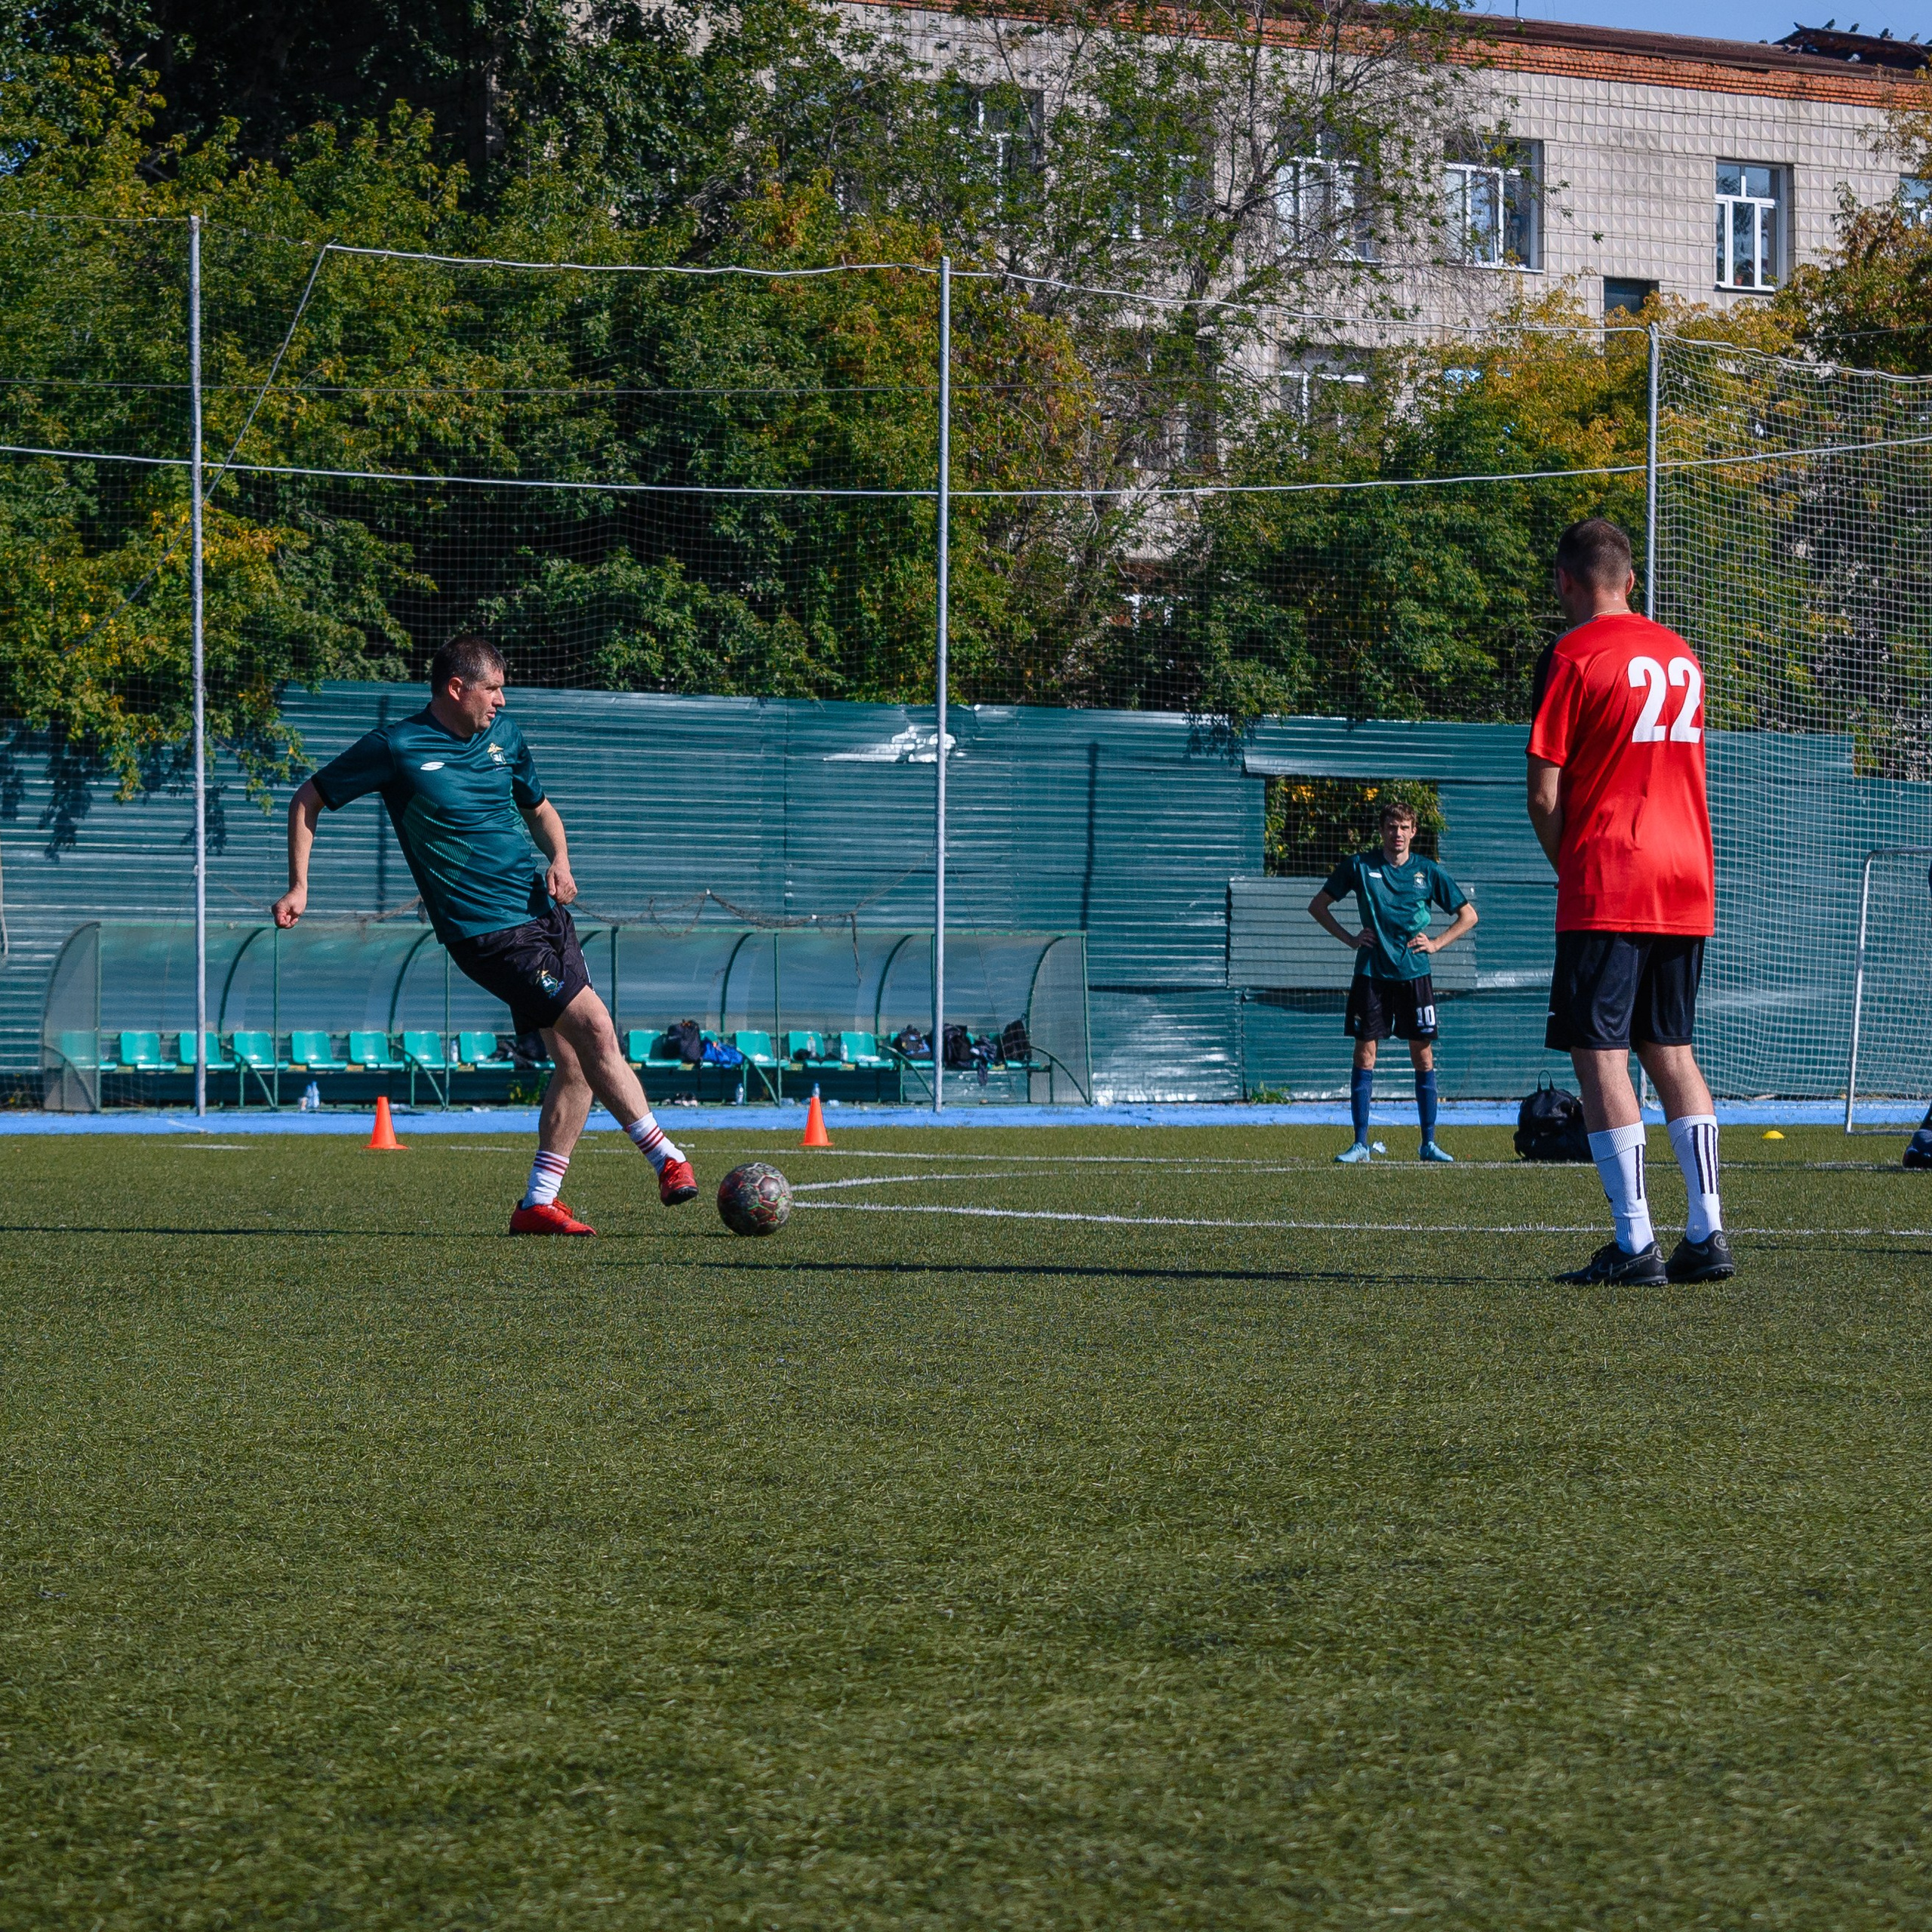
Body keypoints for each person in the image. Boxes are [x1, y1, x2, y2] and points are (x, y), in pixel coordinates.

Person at [272, 635, 698, 1235]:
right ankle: (667, 1159)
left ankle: (537, 1205)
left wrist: (562, 860)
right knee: (597, 1027)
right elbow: (308, 798)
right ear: (457, 689)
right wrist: (299, 886)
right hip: (487, 931)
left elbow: (540, 808)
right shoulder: (396, 747)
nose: (501, 700)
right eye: (492, 689)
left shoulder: (506, 738)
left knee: (576, 1062)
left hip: (540, 909)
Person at [1527, 517, 1733, 1285]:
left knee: (1599, 1054)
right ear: (1632, 581)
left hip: (1612, 873)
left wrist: (1572, 865)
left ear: (1565, 582)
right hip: (1688, 874)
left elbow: (1544, 792)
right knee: (1672, 1051)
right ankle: (1708, 1232)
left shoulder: (1571, 654)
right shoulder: (1681, 653)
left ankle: (1633, 1242)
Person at [1308, 798, 1477, 1164]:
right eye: (1391, 827)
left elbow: (1468, 916)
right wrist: (1351, 938)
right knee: (1365, 1054)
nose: (1397, 834)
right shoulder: (1359, 865)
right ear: (1382, 830)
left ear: (1414, 832)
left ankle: (1428, 1144)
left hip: (1415, 974)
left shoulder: (1428, 871)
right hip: (1371, 973)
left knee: (1423, 1054)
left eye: (1404, 828)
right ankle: (1360, 1145)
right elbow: (1318, 906)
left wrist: (1435, 943)